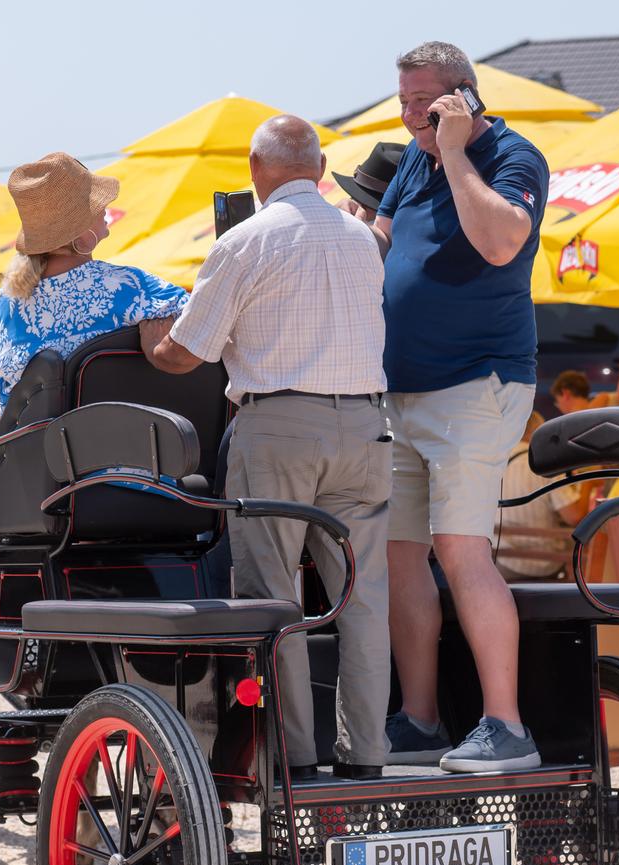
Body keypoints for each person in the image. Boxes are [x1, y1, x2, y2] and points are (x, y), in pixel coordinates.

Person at [149, 114, 391, 780]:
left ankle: (295, 759)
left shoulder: (246, 241)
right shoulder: (363, 240)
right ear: (318, 170)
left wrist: (154, 340)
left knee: (274, 598)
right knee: (365, 600)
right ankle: (367, 756)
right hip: (368, 427)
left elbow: (186, 354)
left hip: (280, 427)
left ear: (256, 171)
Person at [341, 41, 550, 773]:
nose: (409, 120)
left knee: (462, 551)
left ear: (464, 98)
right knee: (401, 560)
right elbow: (377, 248)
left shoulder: (512, 157)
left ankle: (507, 725)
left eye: (422, 107)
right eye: (401, 105)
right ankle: (420, 719)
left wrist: (457, 152)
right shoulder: (410, 163)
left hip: (476, 383)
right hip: (401, 391)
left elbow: (500, 243)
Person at [0, 152, 185, 406]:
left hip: (28, 442)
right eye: (93, 204)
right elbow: (205, 320)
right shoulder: (126, 288)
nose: (104, 207)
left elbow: (5, 392)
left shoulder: (9, 300)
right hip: (127, 436)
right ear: (79, 235)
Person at [494, 411, 593, 581]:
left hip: (501, 562)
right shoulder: (544, 465)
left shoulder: (494, 461)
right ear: (537, 433)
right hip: (543, 566)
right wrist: (588, 483)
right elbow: (575, 517)